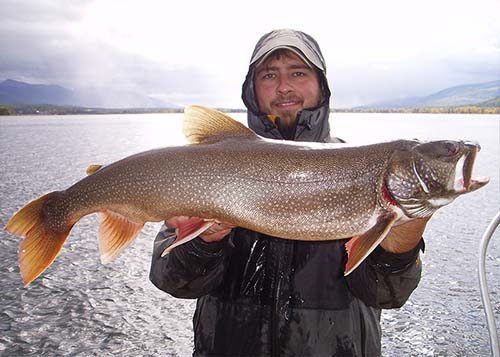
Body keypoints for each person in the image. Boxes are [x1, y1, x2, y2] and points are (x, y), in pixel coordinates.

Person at [150, 29, 427, 356]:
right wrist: (203, 242)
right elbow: (174, 281)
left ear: (321, 86)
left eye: (298, 72)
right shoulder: (211, 168)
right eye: (269, 75)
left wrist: (402, 241)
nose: (284, 87)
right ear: (252, 89)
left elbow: (387, 295)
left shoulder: (364, 170)